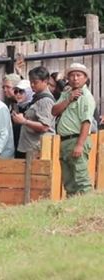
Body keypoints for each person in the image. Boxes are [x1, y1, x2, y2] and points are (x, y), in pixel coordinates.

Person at [52, 63, 96, 197]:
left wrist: (80, 145)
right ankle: (72, 210)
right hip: (65, 141)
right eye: (72, 75)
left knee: (81, 179)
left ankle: (89, 210)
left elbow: (86, 122)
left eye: (78, 75)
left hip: (77, 139)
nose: (75, 78)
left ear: (85, 78)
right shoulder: (66, 93)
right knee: (69, 181)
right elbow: (54, 111)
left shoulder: (86, 97)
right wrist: (69, 100)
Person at [12, 66, 55, 159]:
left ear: (45, 81)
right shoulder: (36, 98)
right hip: (30, 147)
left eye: (35, 82)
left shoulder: (45, 100)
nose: (32, 85)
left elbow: (45, 127)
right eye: (31, 82)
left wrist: (24, 121)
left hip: (37, 149)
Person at [10, 80, 34, 158]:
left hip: (30, 147)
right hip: (17, 145)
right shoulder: (15, 107)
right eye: (16, 92)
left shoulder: (33, 106)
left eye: (21, 91)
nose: (18, 94)